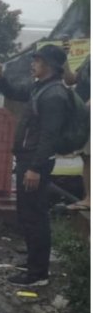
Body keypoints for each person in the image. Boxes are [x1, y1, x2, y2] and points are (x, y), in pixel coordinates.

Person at [0, 45, 74, 287]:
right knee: (27, 215)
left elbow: (48, 136)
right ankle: (32, 262)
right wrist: (0, 78)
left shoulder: (54, 96)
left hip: (36, 164)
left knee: (35, 216)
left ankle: (38, 273)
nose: (33, 64)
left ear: (49, 65)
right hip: (29, 160)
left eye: (37, 61)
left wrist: (35, 168)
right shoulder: (40, 88)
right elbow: (16, 92)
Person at [65, 55, 91, 211]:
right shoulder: (88, 59)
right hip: (84, 115)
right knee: (87, 157)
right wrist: (65, 59)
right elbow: (70, 79)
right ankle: (88, 197)